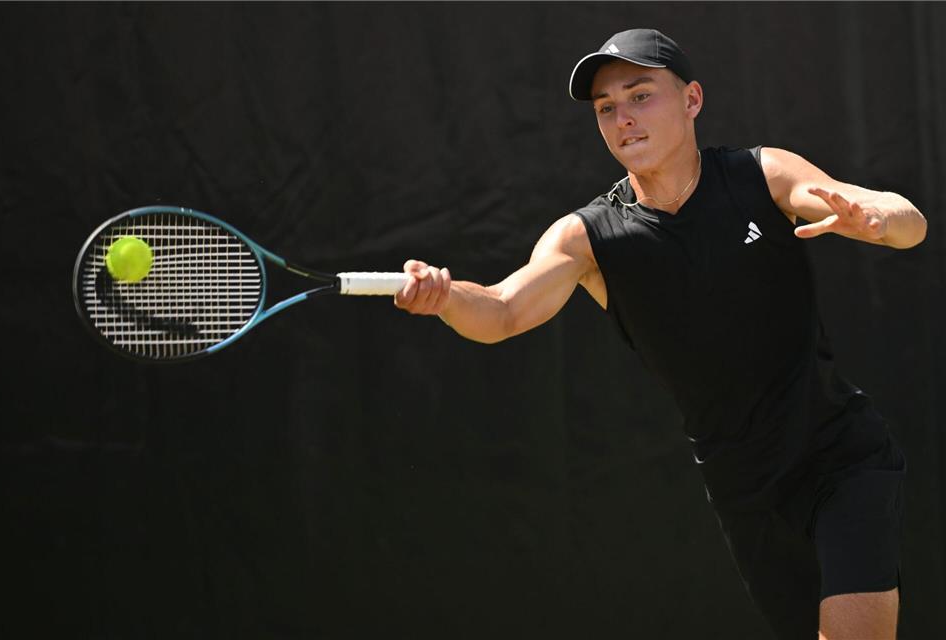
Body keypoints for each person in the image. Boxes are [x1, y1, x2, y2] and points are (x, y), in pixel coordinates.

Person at [394, 29, 927, 640]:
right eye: (606, 109)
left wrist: (879, 218)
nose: (624, 119)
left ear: (692, 99)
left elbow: (903, 221)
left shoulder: (762, 174)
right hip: (745, 492)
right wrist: (444, 296)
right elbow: (502, 309)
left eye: (641, 95)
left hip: (840, 459)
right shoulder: (588, 238)